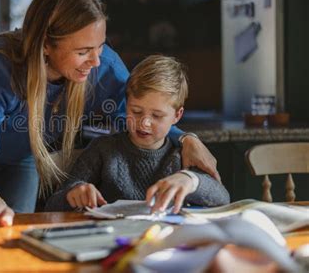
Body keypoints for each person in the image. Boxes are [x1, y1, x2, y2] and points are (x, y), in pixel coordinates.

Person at [0, 0, 220, 237]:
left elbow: (138, 111)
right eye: (82, 52)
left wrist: (184, 138)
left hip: (23, 152)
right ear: (46, 45)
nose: (95, 61)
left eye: (100, 46)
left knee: (16, 238)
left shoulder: (102, 66)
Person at [45, 55, 229, 213]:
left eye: (157, 115)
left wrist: (190, 180)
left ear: (177, 115)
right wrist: (73, 194)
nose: (144, 123)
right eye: (136, 111)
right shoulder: (103, 149)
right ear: (126, 105)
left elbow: (223, 198)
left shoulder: (182, 156)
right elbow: (52, 205)